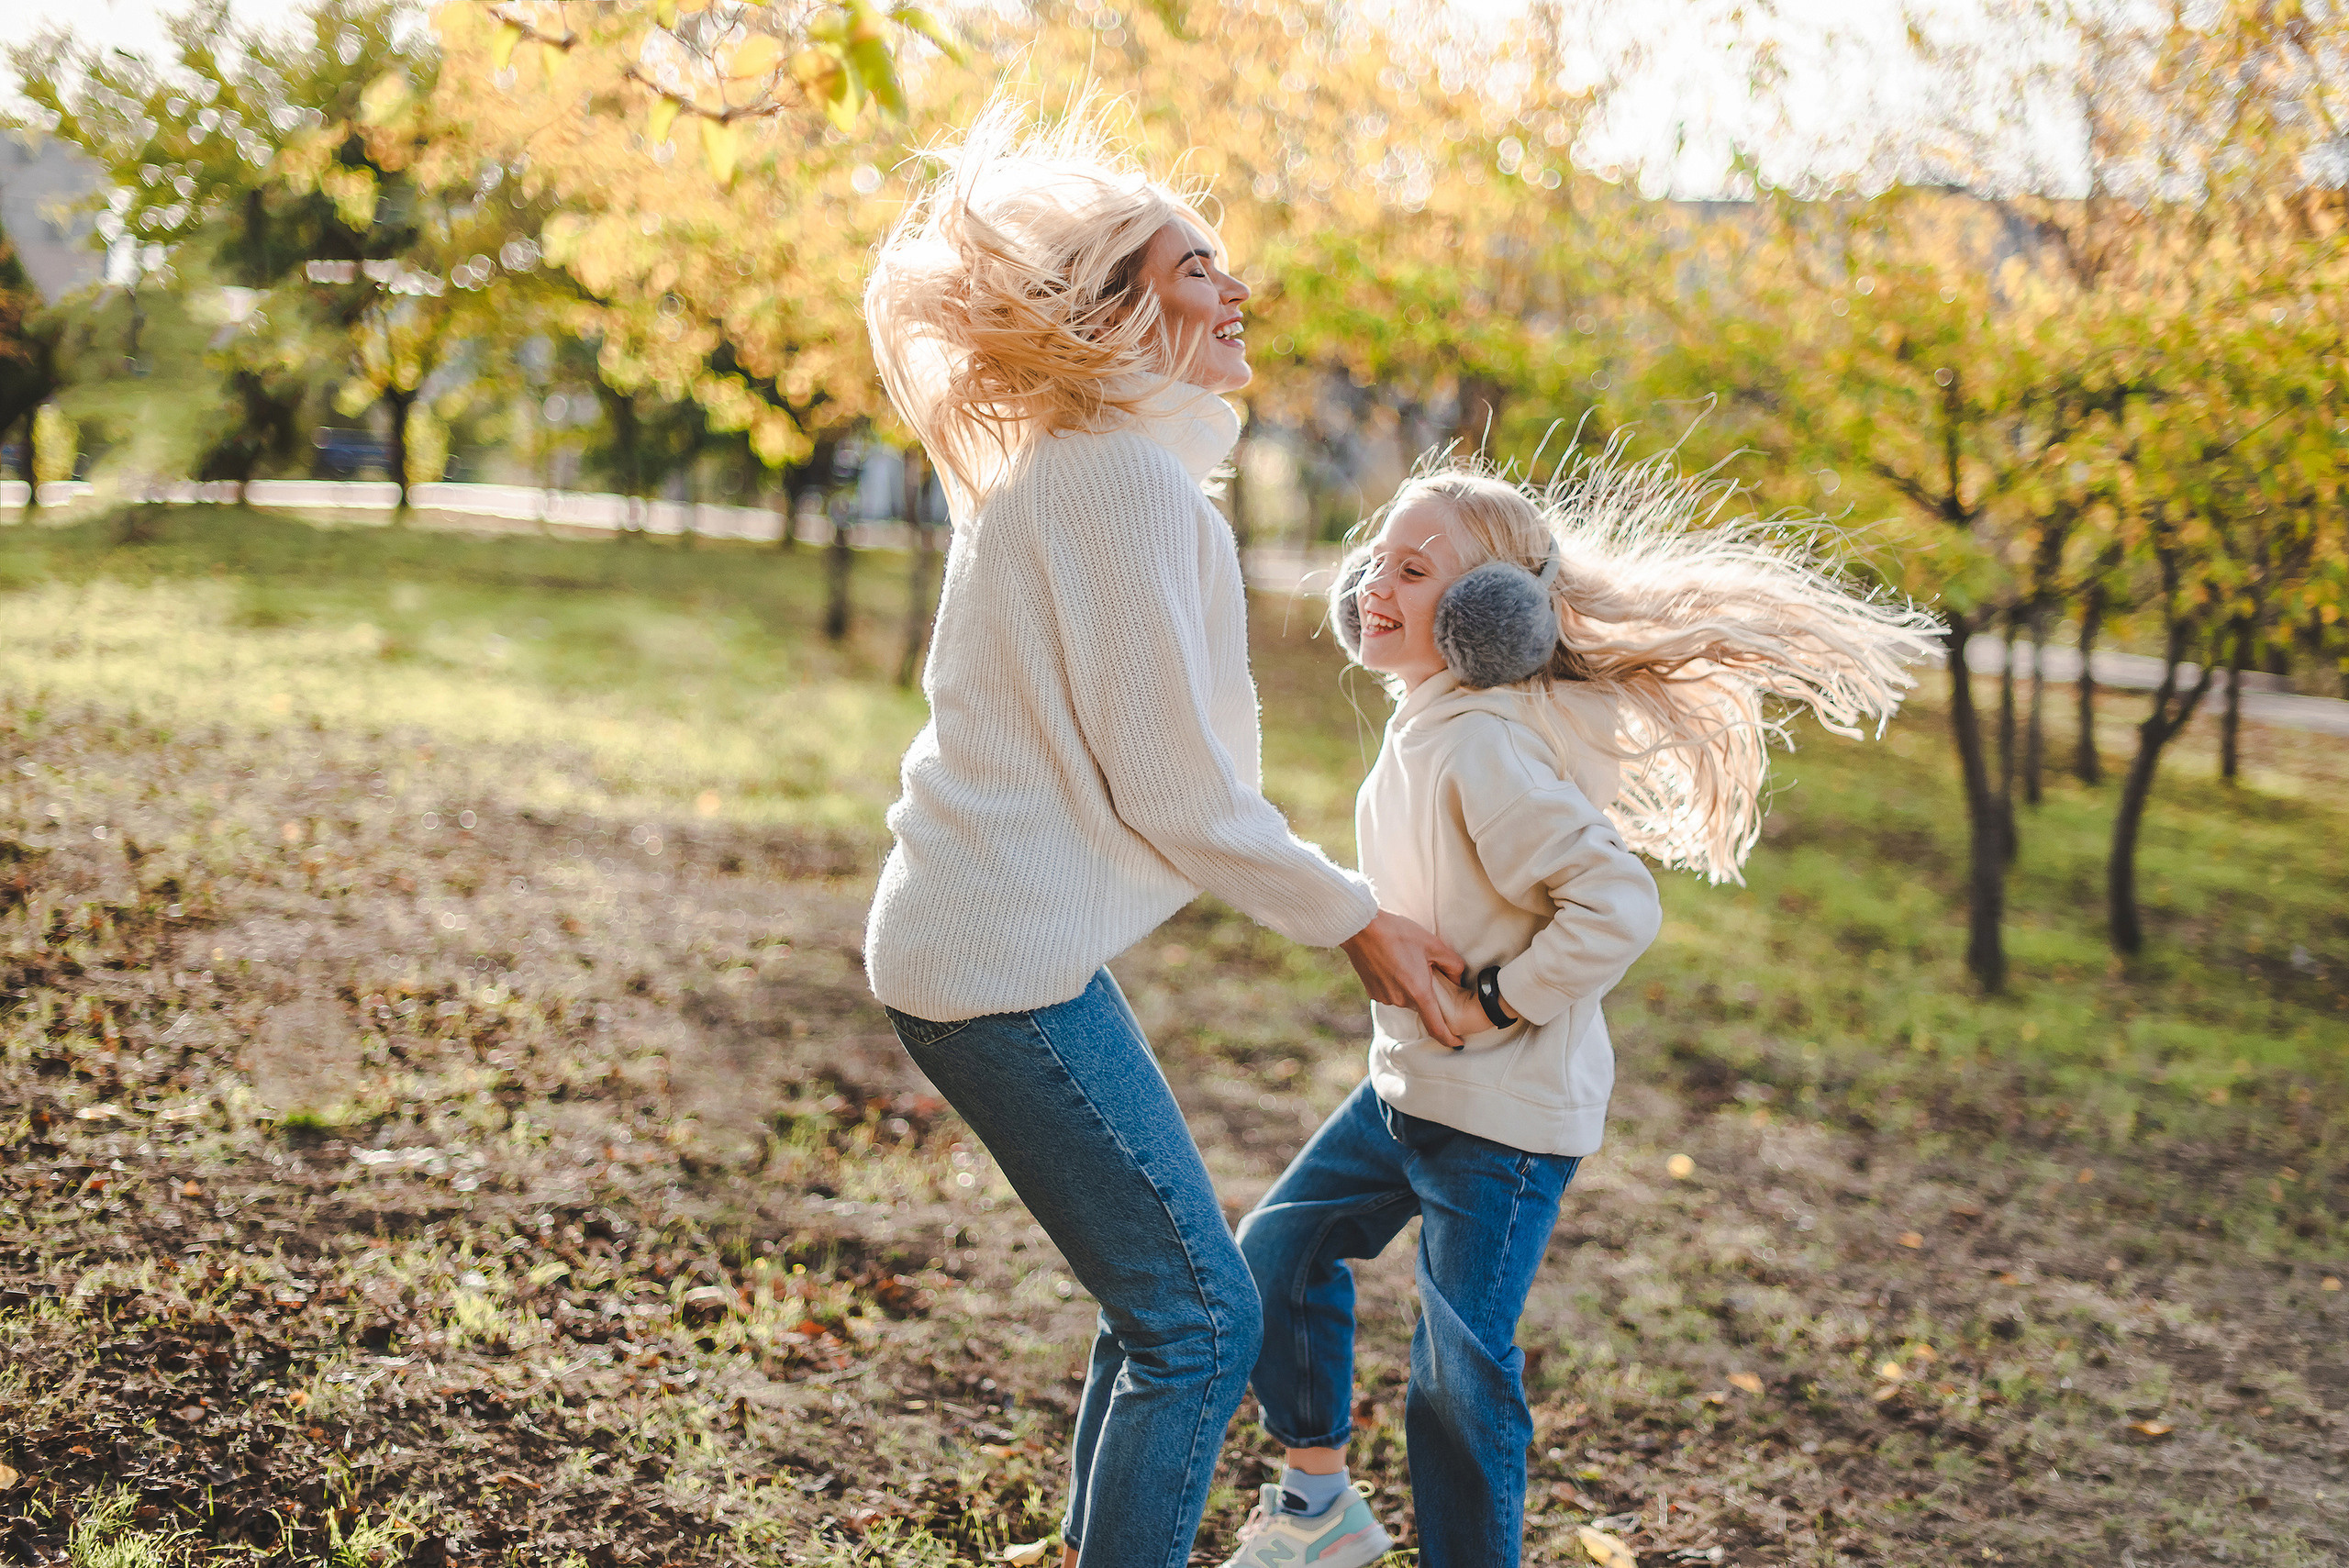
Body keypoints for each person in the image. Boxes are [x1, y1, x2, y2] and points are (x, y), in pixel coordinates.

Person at [859, 99, 1470, 1568]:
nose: (1234, 287)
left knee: (1168, 1305)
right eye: (1197, 265)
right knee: (1205, 1322)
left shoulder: (1096, 471)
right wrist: (1358, 921)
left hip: (1001, 947)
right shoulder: (1116, 482)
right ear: (1121, 305)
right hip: (994, 962)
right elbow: (1177, 794)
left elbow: (1169, 779)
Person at [1216, 444, 1941, 1568]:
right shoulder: (1434, 723)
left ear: (1490, 615)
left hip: (1500, 1121)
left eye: (1416, 570)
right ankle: (1320, 1504)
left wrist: (1502, 1000)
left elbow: (1616, 902)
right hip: (1410, 1089)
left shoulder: (1484, 745)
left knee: (1460, 1372)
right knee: (1277, 1253)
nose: (1376, 582)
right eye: (1378, 558)